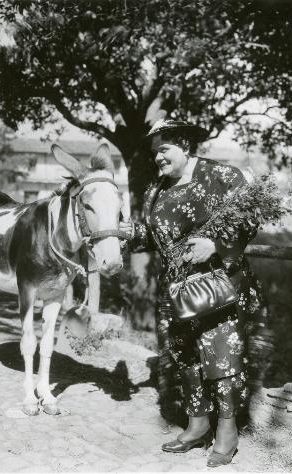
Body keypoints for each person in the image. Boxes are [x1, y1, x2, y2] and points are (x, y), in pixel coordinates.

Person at [120, 119, 266, 468]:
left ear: (184, 145)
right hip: (177, 290)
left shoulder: (222, 177)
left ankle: (227, 432)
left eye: (165, 149)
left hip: (217, 286)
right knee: (185, 356)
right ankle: (197, 423)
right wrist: (134, 232)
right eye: (156, 152)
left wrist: (216, 244)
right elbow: (155, 235)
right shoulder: (158, 187)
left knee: (222, 358)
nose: (158, 158)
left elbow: (250, 220)